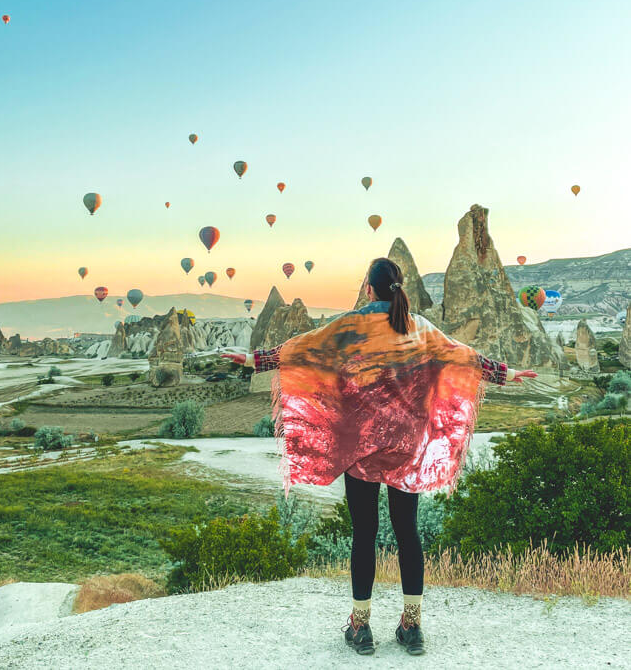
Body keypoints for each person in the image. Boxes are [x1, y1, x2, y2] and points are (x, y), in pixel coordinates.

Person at [223, 257, 537, 657]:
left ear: (369, 289)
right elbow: (464, 356)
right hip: (406, 449)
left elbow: (305, 349)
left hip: (361, 450)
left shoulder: (349, 326)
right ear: (397, 288)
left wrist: (253, 361)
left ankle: (361, 628)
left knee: (364, 535)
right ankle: (412, 627)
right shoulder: (420, 327)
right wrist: (507, 375)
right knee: (408, 535)